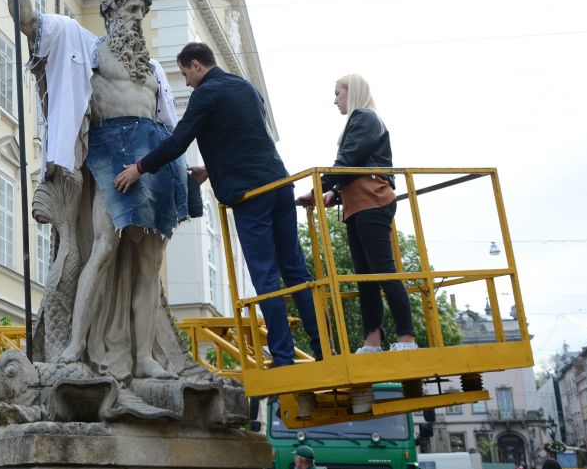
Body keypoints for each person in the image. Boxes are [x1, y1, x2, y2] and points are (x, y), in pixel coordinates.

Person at [0, 0, 195, 380]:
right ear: (109, 13)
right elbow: (29, 21)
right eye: (130, 11)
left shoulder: (155, 72)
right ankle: (73, 345)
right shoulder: (83, 46)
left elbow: (169, 127)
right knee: (103, 248)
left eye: (142, 13)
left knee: (149, 265)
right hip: (109, 155)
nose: (138, 19)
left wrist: (189, 171)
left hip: (153, 162)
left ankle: (143, 356)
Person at [114, 42, 322, 366]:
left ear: (196, 65)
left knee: (266, 276)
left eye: (185, 74)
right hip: (280, 185)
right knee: (296, 272)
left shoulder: (205, 94)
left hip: (251, 196)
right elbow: (246, 138)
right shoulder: (246, 88)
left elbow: (178, 141)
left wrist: (138, 168)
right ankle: (323, 350)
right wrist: (212, 170)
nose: (185, 82)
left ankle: (283, 357)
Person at [296, 74, 417, 354]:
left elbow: (348, 159)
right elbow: (355, 165)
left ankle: (407, 338)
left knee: (383, 270)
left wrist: (318, 188)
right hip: (357, 203)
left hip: (371, 199)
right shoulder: (361, 121)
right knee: (365, 276)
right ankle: (372, 341)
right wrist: (334, 194)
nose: (335, 99)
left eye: (338, 93)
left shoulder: (364, 116)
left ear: (354, 92)